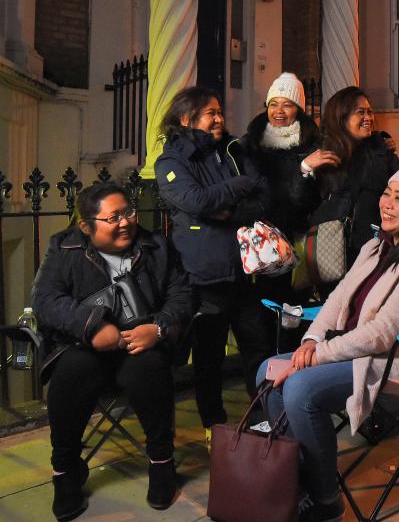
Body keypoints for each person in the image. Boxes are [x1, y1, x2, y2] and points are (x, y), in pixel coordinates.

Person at [256, 155, 399, 522]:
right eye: (387, 193)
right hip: (355, 349)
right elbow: (336, 300)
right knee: (267, 372)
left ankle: (327, 500)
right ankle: (301, 473)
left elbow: (382, 335)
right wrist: (309, 343)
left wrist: (316, 358)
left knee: (300, 391)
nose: (387, 203)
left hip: (396, 360)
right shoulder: (376, 246)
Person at [32, 183, 191, 519]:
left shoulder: (156, 246)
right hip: (85, 345)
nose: (125, 222)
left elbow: (181, 297)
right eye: (113, 217)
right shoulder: (63, 247)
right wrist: (91, 327)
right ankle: (65, 475)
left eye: (128, 212)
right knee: (71, 371)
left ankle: (161, 465)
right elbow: (45, 301)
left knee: (149, 368)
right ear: (86, 226)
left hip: (141, 341)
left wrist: (158, 328)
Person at [155, 86, 274, 438]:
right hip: (205, 276)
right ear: (187, 118)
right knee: (209, 358)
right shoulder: (172, 161)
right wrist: (237, 188)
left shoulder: (234, 149)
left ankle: (266, 415)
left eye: (220, 111)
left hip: (245, 272)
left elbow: (262, 194)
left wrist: (226, 208)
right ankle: (214, 425)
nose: (220, 118)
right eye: (211, 113)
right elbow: (195, 199)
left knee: (258, 349)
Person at [242, 72, 331, 321]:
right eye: (274, 103)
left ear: (298, 109)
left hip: (295, 241)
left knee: (292, 312)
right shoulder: (250, 143)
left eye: (287, 104)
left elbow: (310, 199)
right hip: (260, 241)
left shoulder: (312, 145)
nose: (279, 111)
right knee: (261, 313)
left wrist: (304, 170)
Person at [311, 86, 399, 268]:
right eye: (361, 113)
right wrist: (306, 169)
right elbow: (303, 202)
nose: (368, 118)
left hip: (373, 247)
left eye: (370, 112)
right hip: (330, 250)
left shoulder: (383, 152)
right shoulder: (321, 153)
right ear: (342, 118)